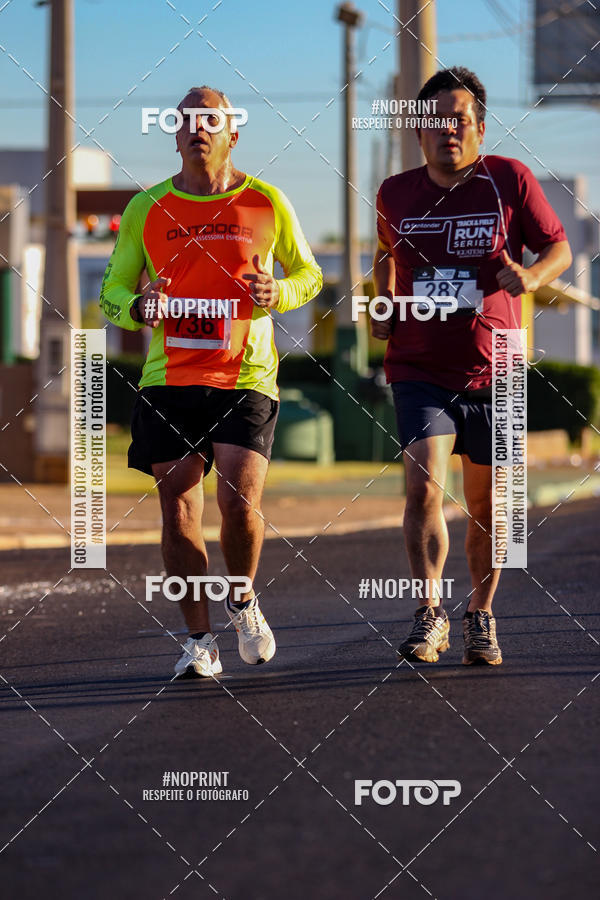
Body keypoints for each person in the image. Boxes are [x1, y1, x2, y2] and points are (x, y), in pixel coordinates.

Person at [100, 85, 322, 678]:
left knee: (239, 499)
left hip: (245, 372)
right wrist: (137, 308)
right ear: (175, 135)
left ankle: (244, 597)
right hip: (170, 376)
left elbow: (309, 273)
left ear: (232, 133)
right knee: (177, 508)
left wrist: (284, 292)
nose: (199, 128)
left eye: (211, 119)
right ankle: (199, 639)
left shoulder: (267, 201)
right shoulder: (147, 208)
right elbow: (110, 293)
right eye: (188, 120)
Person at [372, 66, 571, 666]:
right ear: (418, 133)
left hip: (498, 366)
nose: (448, 131)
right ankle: (428, 615)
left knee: (490, 508)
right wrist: (383, 302)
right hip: (419, 366)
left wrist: (532, 275)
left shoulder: (509, 179)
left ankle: (480, 615)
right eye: (435, 121)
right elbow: (385, 253)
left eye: (460, 120)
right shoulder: (394, 193)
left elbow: (558, 246)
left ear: (480, 128)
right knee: (423, 484)